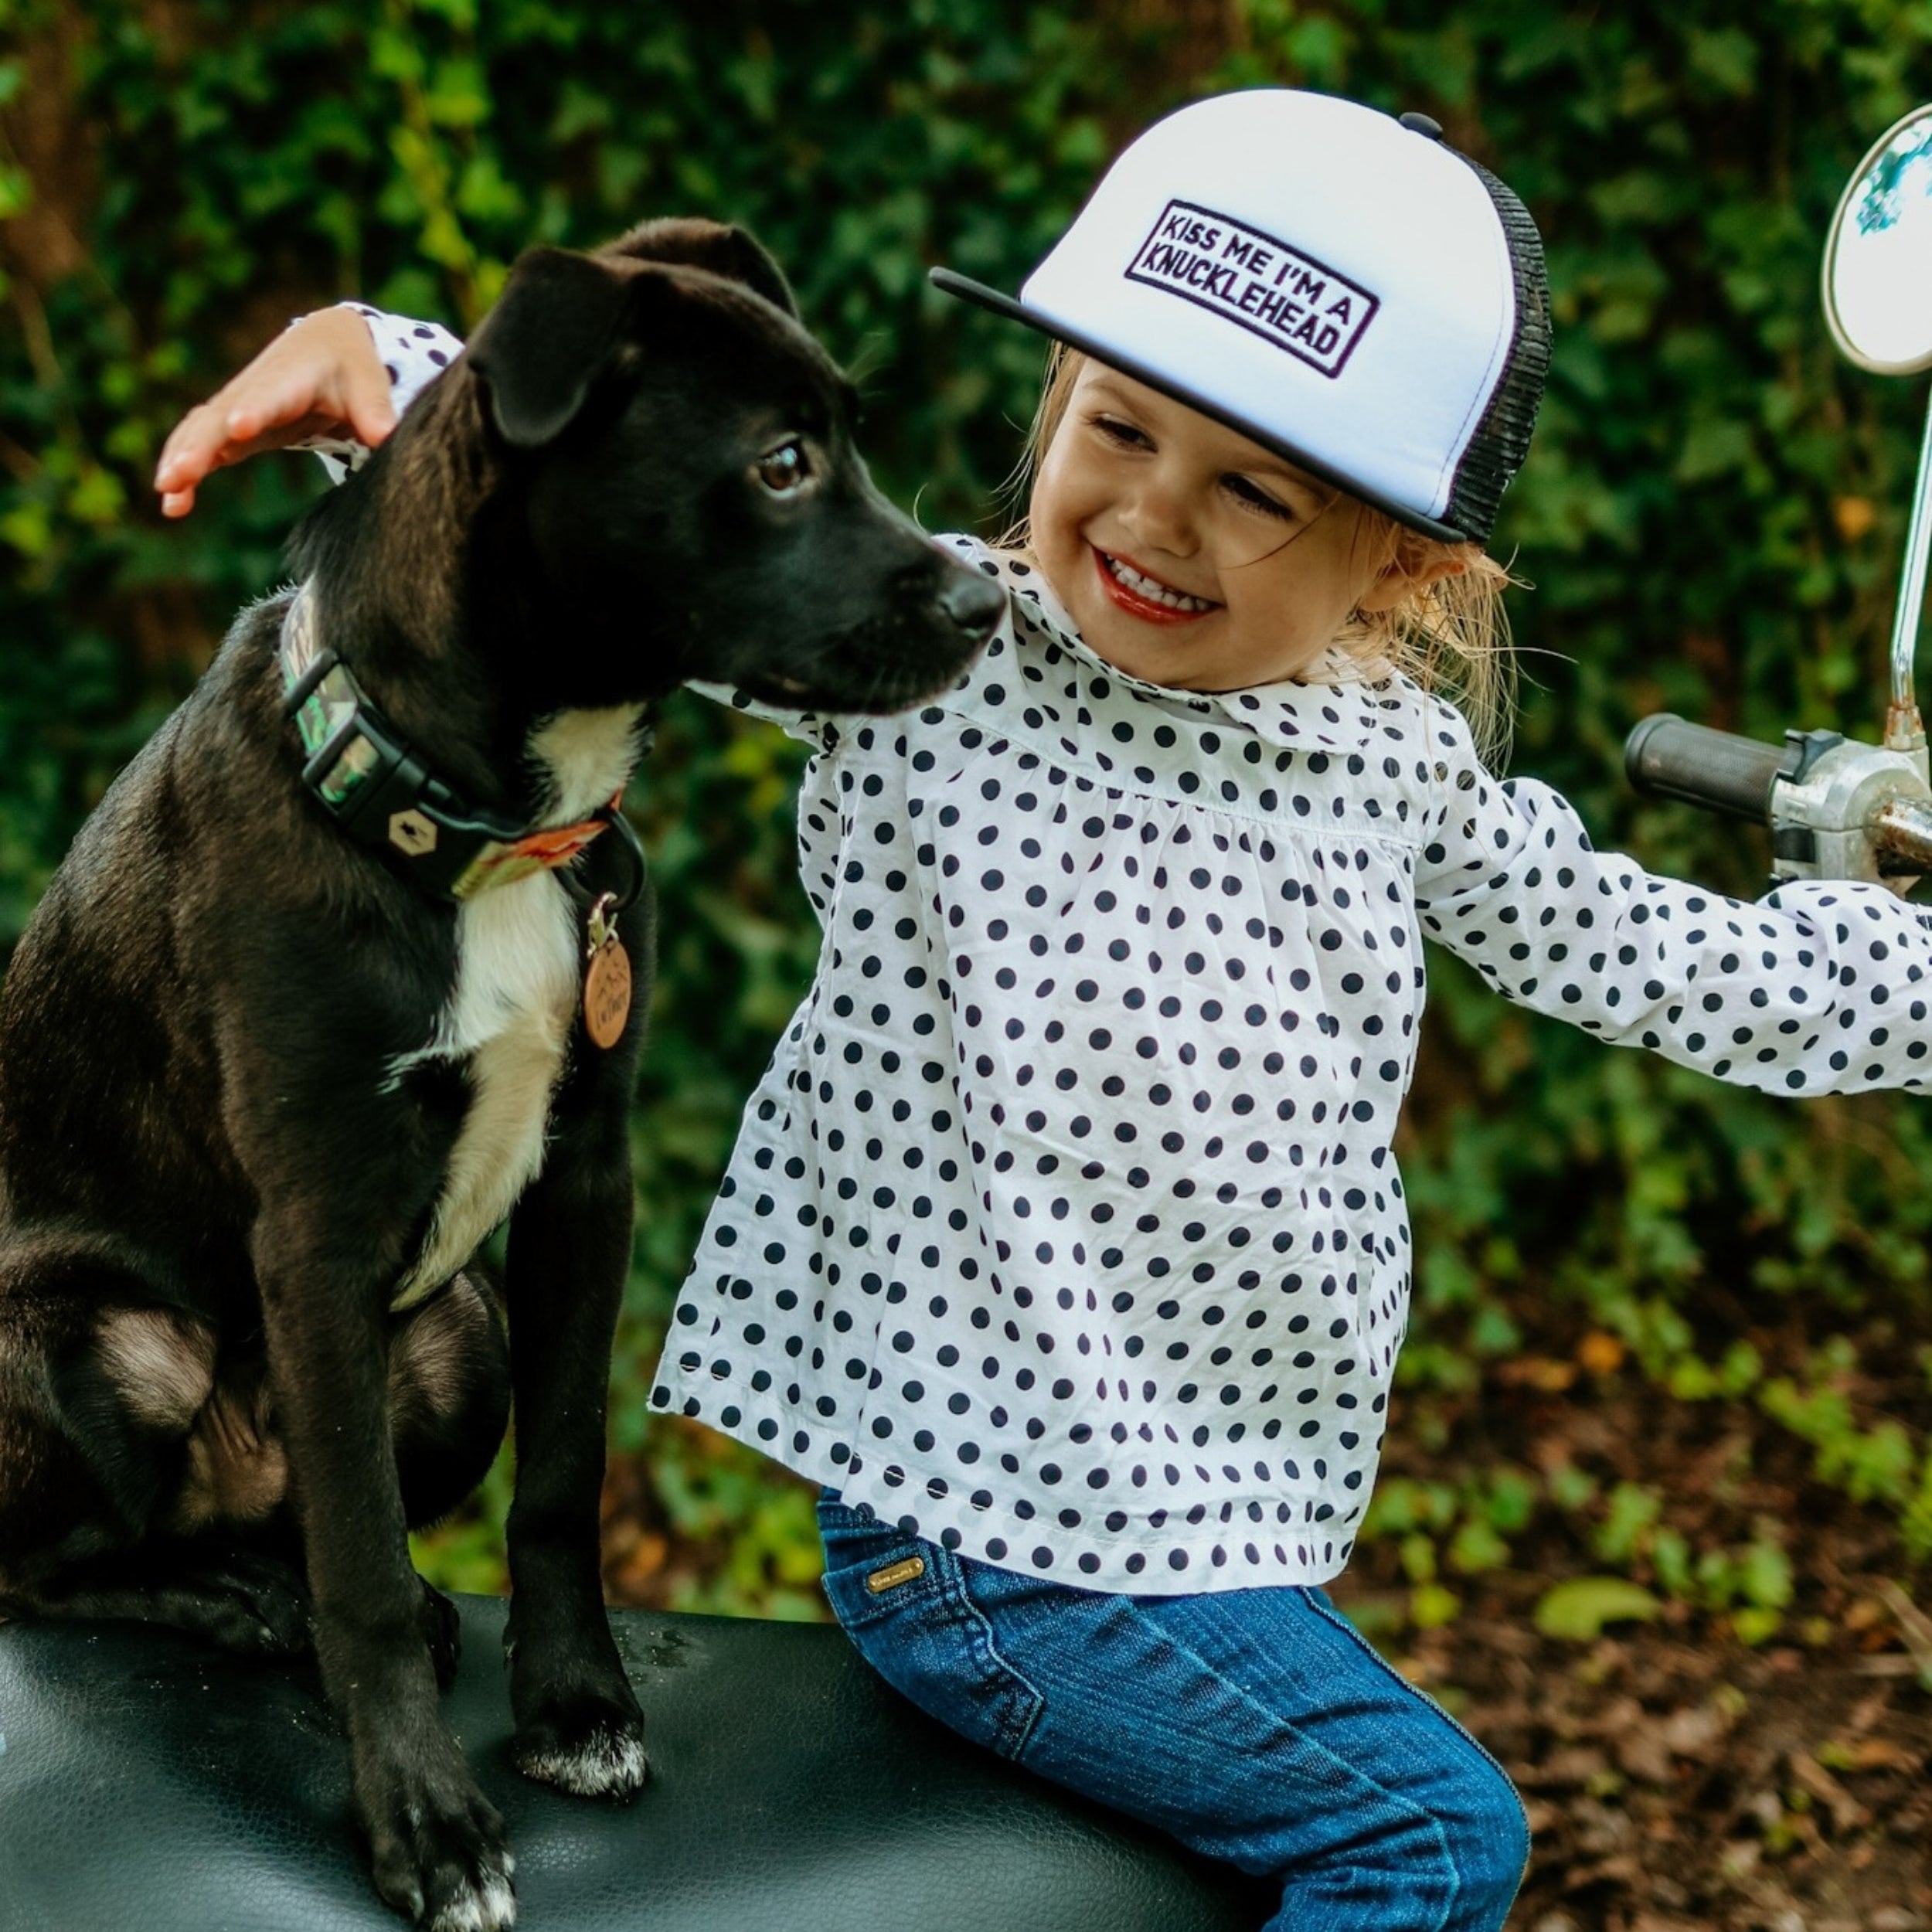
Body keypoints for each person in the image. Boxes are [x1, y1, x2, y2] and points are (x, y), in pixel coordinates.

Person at [153, 88, 1932, 1932]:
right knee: (1428, 1837)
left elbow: (1649, 951)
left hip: (1210, 1515)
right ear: (1057, 391)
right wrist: (397, 362)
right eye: (1118, 425)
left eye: (1253, 489)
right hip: (988, 1534)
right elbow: (633, 484)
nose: (1153, 513)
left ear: (1402, 566)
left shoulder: (1393, 767)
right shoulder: (943, 658)